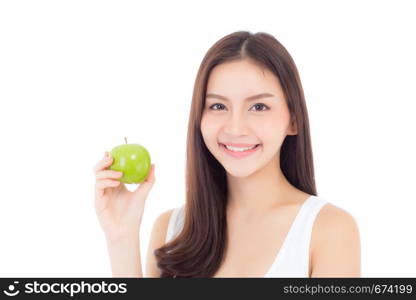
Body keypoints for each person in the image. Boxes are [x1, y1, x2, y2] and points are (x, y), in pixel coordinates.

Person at [93, 31, 361, 278]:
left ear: (293, 120)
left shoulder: (328, 231)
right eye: (218, 105)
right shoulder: (170, 229)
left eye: (258, 106)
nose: (235, 128)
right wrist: (121, 237)